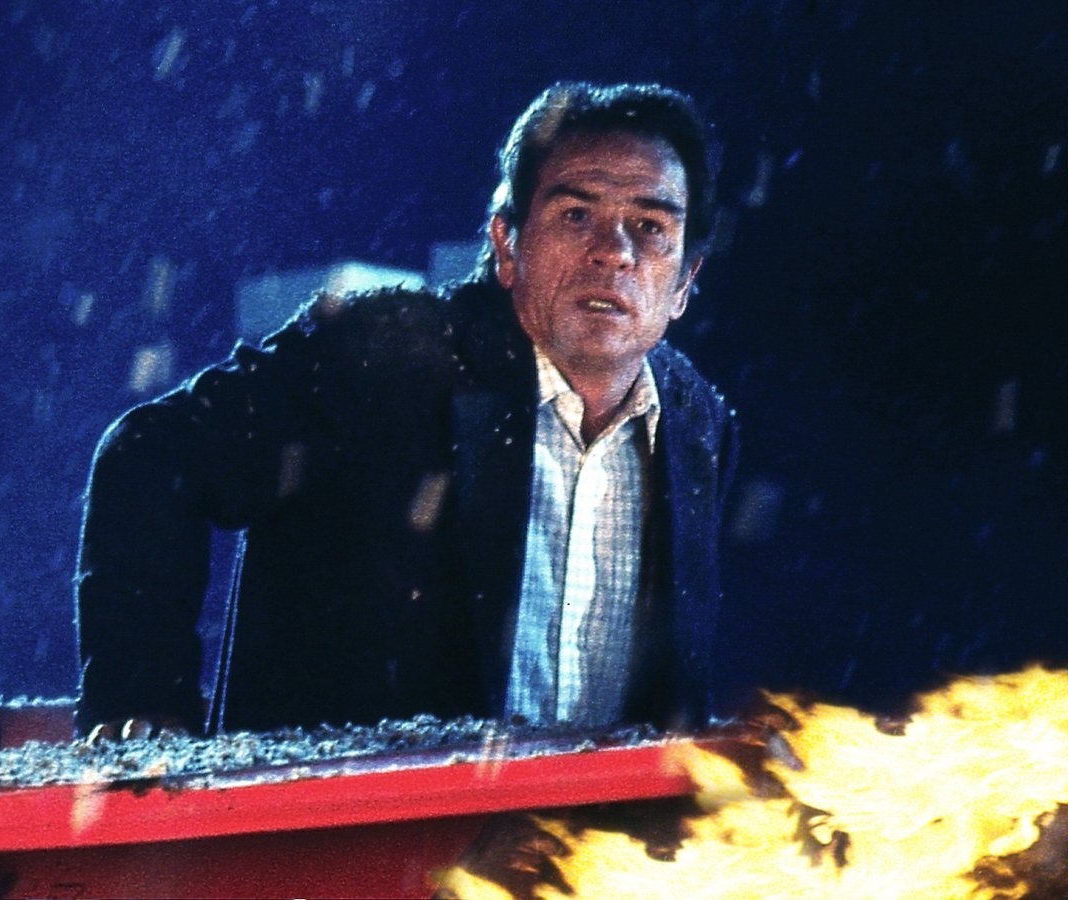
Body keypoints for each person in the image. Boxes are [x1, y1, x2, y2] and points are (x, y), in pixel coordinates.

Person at [75, 82, 738, 740]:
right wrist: (143, 709)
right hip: (351, 807)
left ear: (685, 281)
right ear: (507, 246)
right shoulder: (383, 356)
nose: (615, 251)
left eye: (651, 227)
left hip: (598, 816)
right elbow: (149, 454)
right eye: (575, 216)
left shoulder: (697, 426)